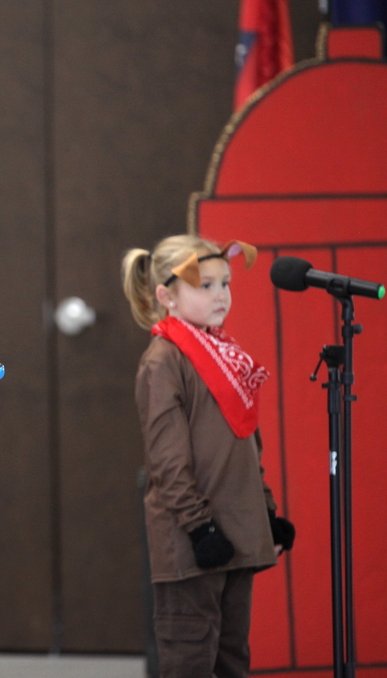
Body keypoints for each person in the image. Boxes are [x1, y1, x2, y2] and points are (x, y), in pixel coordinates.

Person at [121, 235, 297, 678]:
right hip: (194, 543)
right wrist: (200, 528)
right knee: (190, 661)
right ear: (167, 296)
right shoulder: (163, 361)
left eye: (226, 283)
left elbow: (242, 443)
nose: (221, 295)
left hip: (236, 535)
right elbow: (167, 461)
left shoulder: (226, 355)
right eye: (206, 285)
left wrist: (267, 510)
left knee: (232, 661)